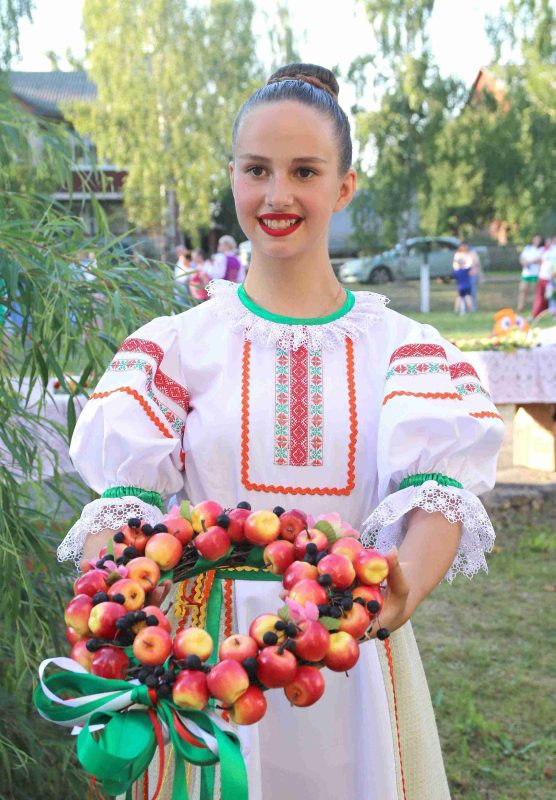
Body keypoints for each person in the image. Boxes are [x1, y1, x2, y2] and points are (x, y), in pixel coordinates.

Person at [57, 64, 504, 800]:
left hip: (349, 651)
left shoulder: (400, 346)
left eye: (305, 170)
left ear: (344, 186)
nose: (278, 195)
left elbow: (437, 491)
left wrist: (401, 591)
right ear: (231, 175)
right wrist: (115, 601)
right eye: (257, 170)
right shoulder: (179, 345)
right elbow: (126, 498)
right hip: (203, 660)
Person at [517, 234, 543, 312]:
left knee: (535, 292)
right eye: (536, 239)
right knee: (522, 290)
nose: (537, 241)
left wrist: (530, 262)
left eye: (539, 239)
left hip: (536, 274)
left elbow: (539, 260)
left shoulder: (541, 249)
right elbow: (522, 258)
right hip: (526, 274)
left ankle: (534, 308)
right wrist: (524, 262)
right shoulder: (527, 248)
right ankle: (520, 307)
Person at [532, 234, 556, 319]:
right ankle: (536, 314)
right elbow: (539, 261)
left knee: (552, 297)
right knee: (540, 297)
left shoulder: (553, 250)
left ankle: (554, 314)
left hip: (551, 279)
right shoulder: (545, 250)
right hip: (542, 277)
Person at [452, 242, 473, 315]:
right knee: (468, 297)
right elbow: (469, 265)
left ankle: (456, 311)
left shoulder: (457, 271)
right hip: (467, 285)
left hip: (460, 286)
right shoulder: (466, 270)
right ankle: (471, 311)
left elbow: (455, 267)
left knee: (458, 297)